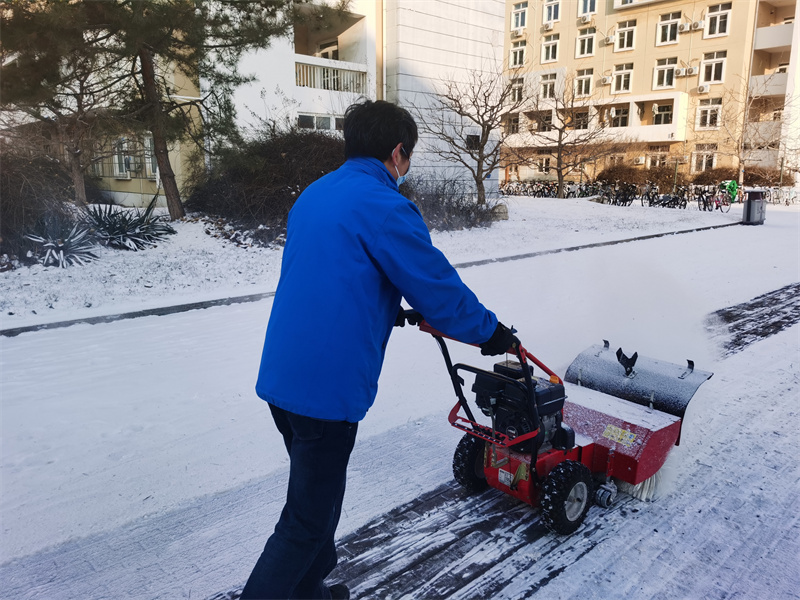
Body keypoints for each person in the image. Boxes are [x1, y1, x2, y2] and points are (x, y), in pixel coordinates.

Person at [241, 99, 519, 600]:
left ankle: (311, 595)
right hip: (325, 391)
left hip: (282, 377)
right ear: (396, 152)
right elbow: (437, 288)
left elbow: (328, 275)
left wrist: (387, 309)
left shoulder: (314, 194)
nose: (405, 166)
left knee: (319, 503)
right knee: (306, 521)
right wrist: (491, 334)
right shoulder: (384, 205)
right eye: (407, 155)